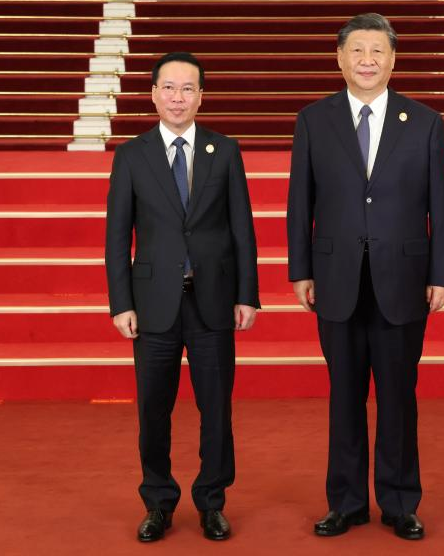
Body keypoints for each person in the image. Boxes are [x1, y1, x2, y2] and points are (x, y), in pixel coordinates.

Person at [287, 13, 444, 541]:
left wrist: (442, 273)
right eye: (357, 50)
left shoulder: (424, 121)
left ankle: (400, 502)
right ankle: (346, 502)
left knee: (398, 397)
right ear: (339, 58)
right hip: (334, 277)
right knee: (344, 397)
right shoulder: (314, 120)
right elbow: (300, 202)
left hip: (403, 278)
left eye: (377, 51)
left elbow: (442, 206)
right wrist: (300, 269)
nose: (367, 60)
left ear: (392, 59)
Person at [105, 51, 259, 543]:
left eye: (188, 88)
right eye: (169, 88)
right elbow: (117, 236)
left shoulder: (225, 151)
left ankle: (212, 501)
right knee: (154, 410)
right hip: (153, 304)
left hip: (213, 301)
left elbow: (242, 228)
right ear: (153, 94)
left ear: (201, 97)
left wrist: (247, 294)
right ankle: (158, 501)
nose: (178, 97)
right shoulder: (132, 155)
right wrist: (121, 303)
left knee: (216, 410)